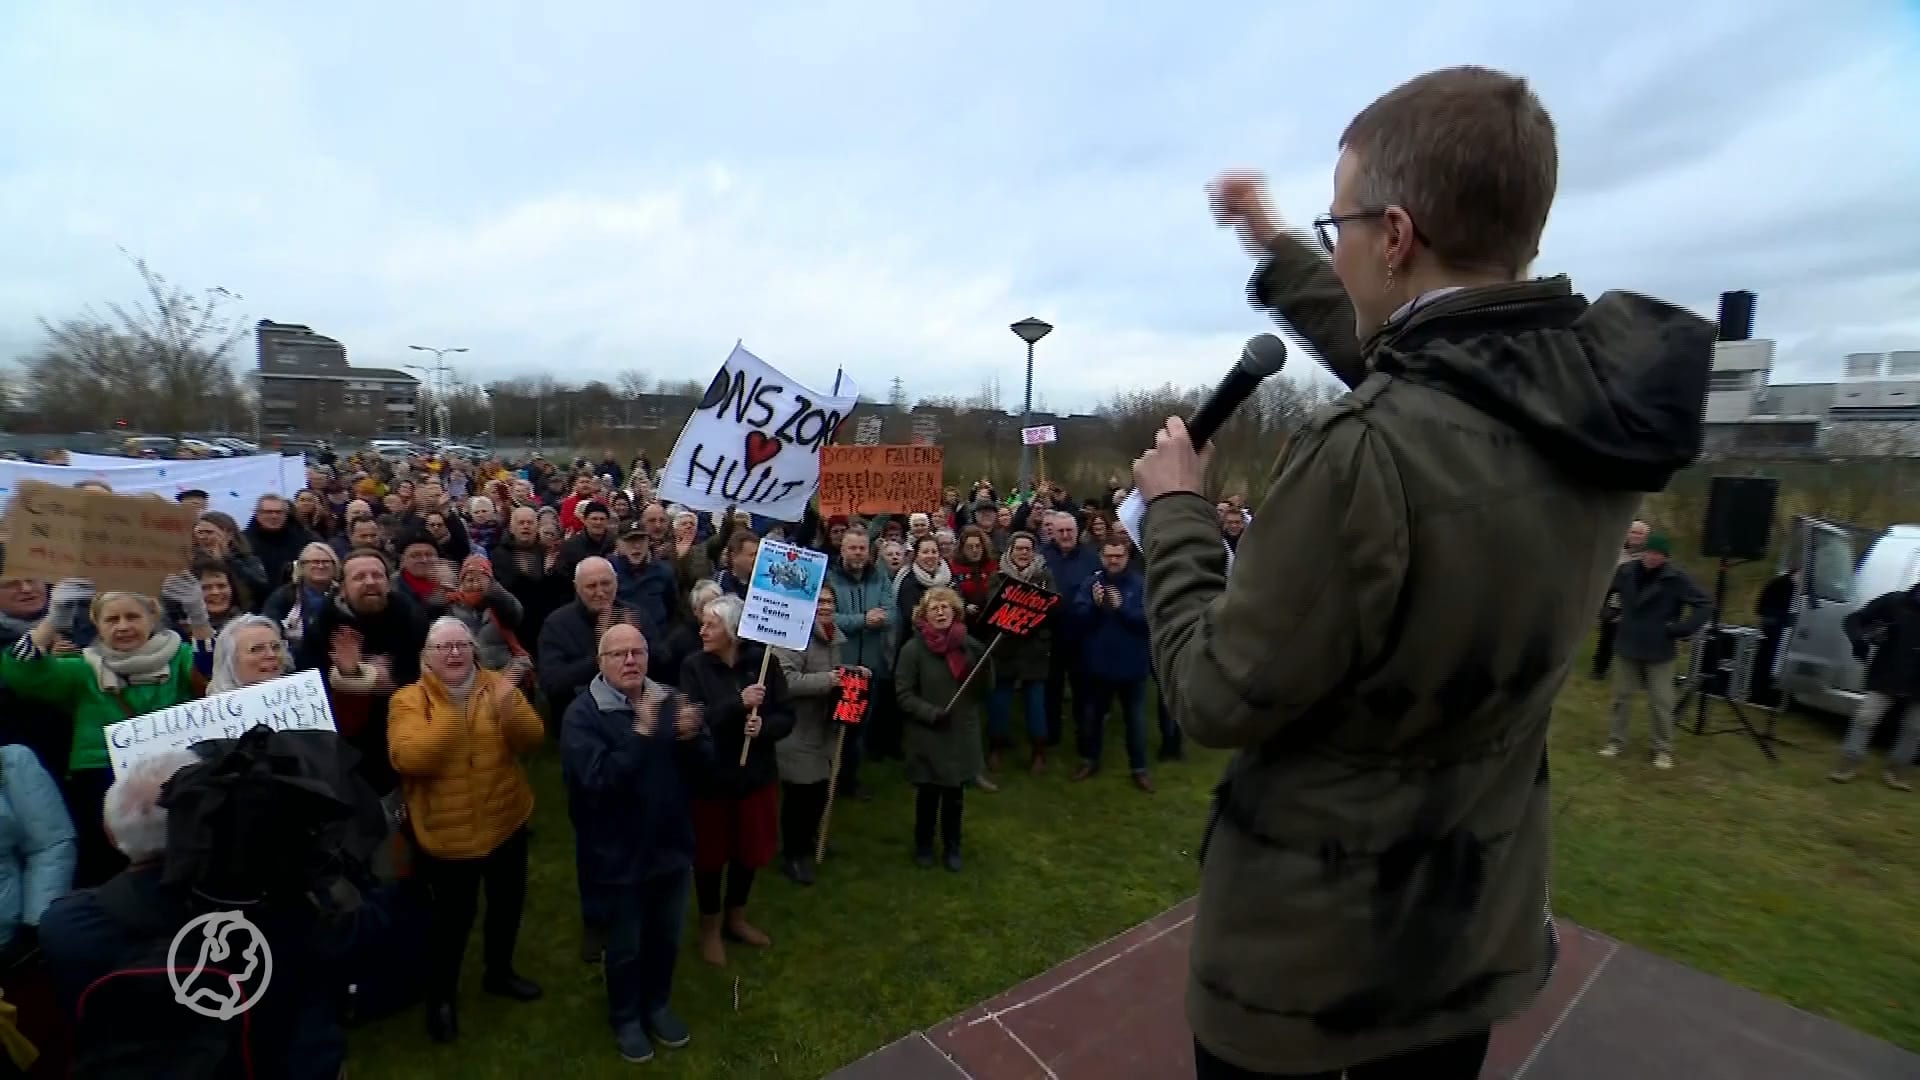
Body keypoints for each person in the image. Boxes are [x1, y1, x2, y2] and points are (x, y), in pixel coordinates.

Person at [1136, 67, 1711, 1078]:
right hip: (1463, 935)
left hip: (1309, 971)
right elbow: (1437, 366)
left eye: (1339, 229)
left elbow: (1213, 692)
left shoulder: (1364, 457)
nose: (1338, 251)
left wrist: (1179, 513)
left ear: (1394, 236)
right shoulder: (1595, 415)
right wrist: (1273, 241)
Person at [388, 617, 547, 1044]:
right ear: (426, 658)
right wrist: (449, 709)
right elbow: (411, 759)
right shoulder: (408, 701)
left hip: (504, 821)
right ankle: (441, 998)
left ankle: (499, 972)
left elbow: (533, 739)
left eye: (462, 645)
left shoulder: (496, 686)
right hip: (448, 836)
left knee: (507, 905)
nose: (455, 653)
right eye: (444, 648)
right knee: (452, 922)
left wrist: (509, 707)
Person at [561, 623, 709, 1064]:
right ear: (601, 662)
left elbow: (705, 768)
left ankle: (657, 1005)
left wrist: (692, 739)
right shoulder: (583, 715)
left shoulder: (667, 699)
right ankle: (625, 1017)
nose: (630, 661)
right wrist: (640, 737)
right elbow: (596, 782)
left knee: (666, 936)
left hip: (671, 845)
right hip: (618, 854)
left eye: (638, 653)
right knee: (625, 945)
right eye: (619, 654)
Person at [1, 578, 213, 887]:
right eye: (112, 619)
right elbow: (18, 670)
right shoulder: (83, 668)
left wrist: (199, 617)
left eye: (133, 617)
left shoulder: (180, 657)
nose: (123, 626)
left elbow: (215, 673)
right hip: (101, 783)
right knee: (110, 869)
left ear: (152, 619)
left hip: (175, 780)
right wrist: (53, 620)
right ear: (97, 626)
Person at [678, 595, 794, 966]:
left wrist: (764, 728)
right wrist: (737, 704)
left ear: (731, 631)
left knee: (749, 852)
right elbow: (693, 720)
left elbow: (786, 717)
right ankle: (709, 927)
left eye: (711, 624)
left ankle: (737, 918)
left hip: (755, 778)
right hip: (711, 781)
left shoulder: (765, 663)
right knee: (711, 857)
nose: (702, 630)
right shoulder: (693, 667)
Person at [895, 586, 991, 872]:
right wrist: (931, 714)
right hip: (928, 734)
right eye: (934, 608)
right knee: (927, 796)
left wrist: (986, 666)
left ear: (955, 612)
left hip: (961, 733)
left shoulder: (969, 646)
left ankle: (953, 847)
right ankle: (923, 845)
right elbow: (903, 694)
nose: (940, 612)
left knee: (954, 798)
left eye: (945, 607)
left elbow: (984, 689)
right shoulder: (913, 650)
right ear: (923, 615)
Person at [1600, 534, 1709, 769]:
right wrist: (1607, 611)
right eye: (1649, 552)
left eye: (1657, 554)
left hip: (1659, 648)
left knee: (1661, 702)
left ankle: (1663, 750)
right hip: (1627, 643)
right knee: (1622, 697)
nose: (1651, 557)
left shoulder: (1676, 579)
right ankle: (1615, 742)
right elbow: (1604, 588)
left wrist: (1682, 629)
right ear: (1643, 552)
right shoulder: (1626, 571)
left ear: (1665, 557)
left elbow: (1704, 604)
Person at [771, 583, 849, 886]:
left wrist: (853, 675)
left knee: (818, 791)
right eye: (820, 602)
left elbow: (837, 671)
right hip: (797, 729)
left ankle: (811, 841)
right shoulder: (792, 639)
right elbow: (786, 681)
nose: (826, 607)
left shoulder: (833, 639)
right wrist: (829, 680)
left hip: (823, 727)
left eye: (830, 601)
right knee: (801, 794)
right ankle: (794, 853)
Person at [1834, 583, 1920, 789]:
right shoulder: (1895, 602)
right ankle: (1848, 764)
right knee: (1866, 718)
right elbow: (1853, 619)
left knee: (1915, 727)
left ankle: (1897, 771)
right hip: (1888, 674)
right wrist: (1858, 640)